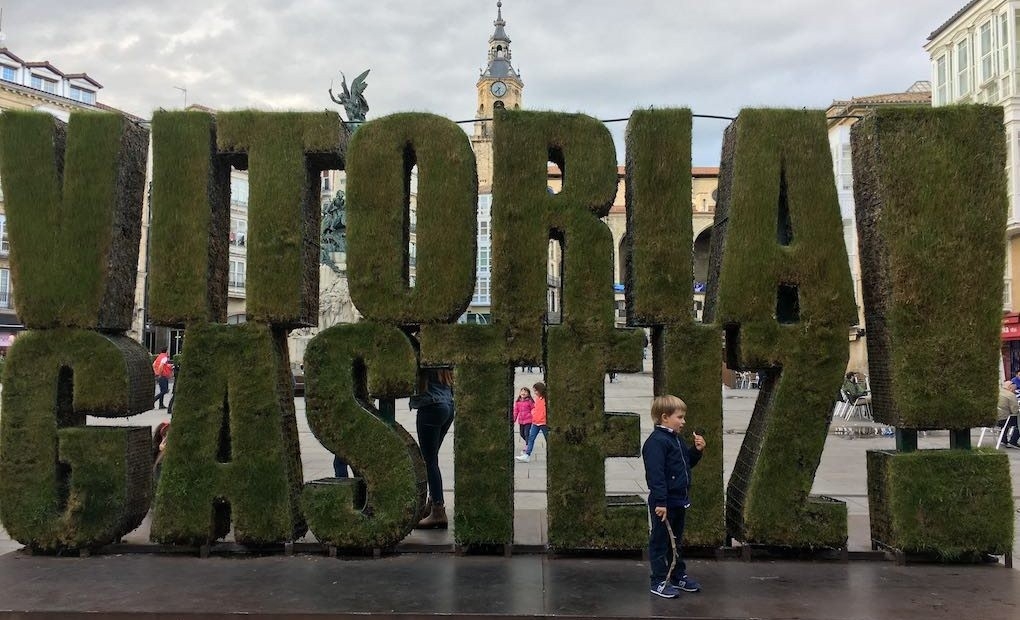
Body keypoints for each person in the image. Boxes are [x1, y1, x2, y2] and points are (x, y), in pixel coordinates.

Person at [642, 394, 705, 599]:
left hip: (678, 500)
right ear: (664, 417)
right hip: (665, 503)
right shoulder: (656, 442)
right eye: (680, 417)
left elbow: (683, 466)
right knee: (660, 541)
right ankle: (659, 580)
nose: (683, 421)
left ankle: (678, 575)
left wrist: (695, 452)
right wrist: (660, 502)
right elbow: (656, 475)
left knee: (675, 540)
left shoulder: (674, 439)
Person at [411, 368, 455, 529]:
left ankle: (438, 509)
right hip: (448, 406)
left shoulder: (424, 357)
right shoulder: (441, 361)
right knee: (431, 459)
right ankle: (432, 503)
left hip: (431, 406)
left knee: (429, 461)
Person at [515, 382, 548, 463]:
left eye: (536, 391)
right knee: (530, 438)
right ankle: (527, 455)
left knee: (548, 439)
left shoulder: (545, 399)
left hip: (543, 423)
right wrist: (534, 413)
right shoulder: (538, 398)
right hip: (535, 422)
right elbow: (535, 408)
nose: (535, 393)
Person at [996, 380, 1020, 449]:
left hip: (995, 419)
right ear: (1010, 388)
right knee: (1018, 421)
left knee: (1006, 418)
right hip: (1004, 420)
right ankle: (1013, 441)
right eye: (1014, 390)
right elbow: (1015, 411)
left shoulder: (997, 392)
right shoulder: (1011, 395)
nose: (1014, 391)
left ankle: (1003, 440)